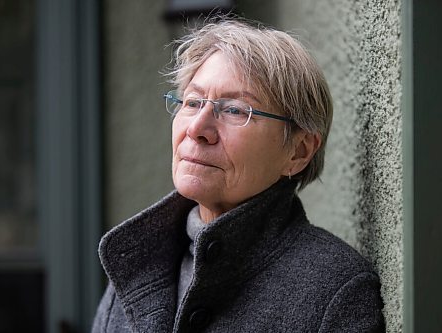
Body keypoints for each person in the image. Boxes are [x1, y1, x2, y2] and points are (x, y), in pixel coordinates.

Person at [92, 17, 385, 333]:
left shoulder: (335, 289)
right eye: (192, 102)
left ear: (298, 152)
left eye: (234, 110)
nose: (196, 128)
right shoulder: (136, 266)